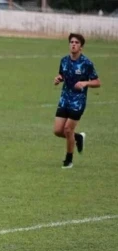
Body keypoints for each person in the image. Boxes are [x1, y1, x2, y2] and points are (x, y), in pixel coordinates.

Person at [52, 33, 101, 169]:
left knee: (68, 130)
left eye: (77, 42)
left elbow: (97, 82)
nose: (73, 44)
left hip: (78, 102)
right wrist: (58, 79)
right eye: (72, 42)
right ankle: (78, 137)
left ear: (81, 47)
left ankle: (69, 160)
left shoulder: (87, 63)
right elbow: (62, 75)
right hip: (64, 99)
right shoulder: (64, 61)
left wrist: (85, 83)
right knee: (57, 131)